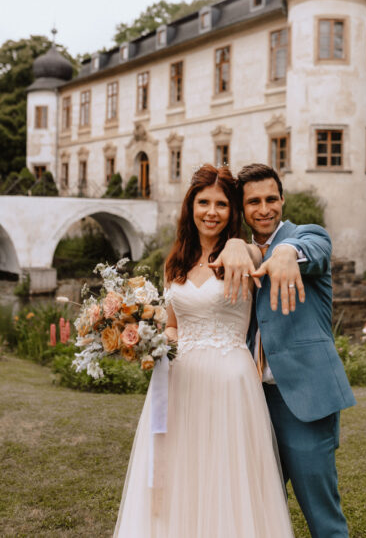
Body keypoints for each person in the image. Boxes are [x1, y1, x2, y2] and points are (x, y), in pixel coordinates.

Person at [114, 164, 294, 538]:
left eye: (221, 205)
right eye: (203, 202)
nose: (211, 212)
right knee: (182, 468)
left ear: (232, 212)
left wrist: (235, 243)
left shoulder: (245, 254)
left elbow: (254, 252)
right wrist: (149, 342)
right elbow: (174, 323)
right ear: (190, 207)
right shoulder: (175, 261)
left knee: (226, 472)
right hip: (178, 380)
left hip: (230, 378)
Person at [211, 163, 356, 538]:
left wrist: (287, 252)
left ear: (282, 199)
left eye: (271, 199)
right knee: (257, 508)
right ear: (242, 209)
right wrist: (231, 243)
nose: (264, 209)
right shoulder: (238, 251)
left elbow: (312, 249)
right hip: (249, 399)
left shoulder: (308, 235)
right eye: (254, 202)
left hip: (302, 400)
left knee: (323, 517)